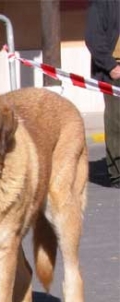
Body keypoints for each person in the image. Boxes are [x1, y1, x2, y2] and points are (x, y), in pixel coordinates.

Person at [85, 0, 120, 189]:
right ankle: (117, 173)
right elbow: (93, 37)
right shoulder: (103, 2)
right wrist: (111, 66)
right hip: (115, 70)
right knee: (116, 121)